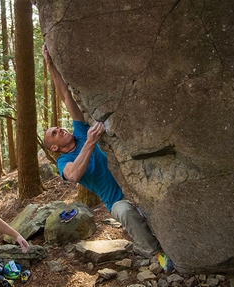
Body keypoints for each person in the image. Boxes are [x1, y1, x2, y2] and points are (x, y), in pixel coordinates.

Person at [41, 44, 168, 263]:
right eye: (55, 133)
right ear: (54, 147)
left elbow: (65, 96)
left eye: (57, 127)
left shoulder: (79, 132)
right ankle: (159, 254)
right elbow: (72, 176)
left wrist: (49, 65)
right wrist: (90, 142)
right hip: (117, 199)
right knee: (125, 212)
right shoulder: (65, 160)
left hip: (137, 185)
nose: (59, 128)